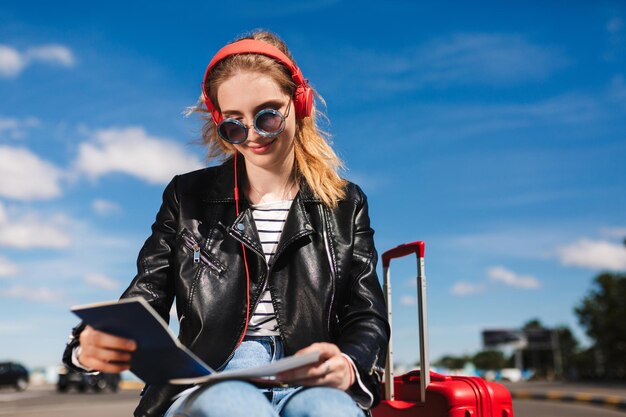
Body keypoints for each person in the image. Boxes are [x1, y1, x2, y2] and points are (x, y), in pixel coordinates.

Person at [62, 30, 390, 417]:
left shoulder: (344, 203)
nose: (253, 135)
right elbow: (146, 293)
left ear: (299, 103)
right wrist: (89, 345)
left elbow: (366, 312)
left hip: (310, 375)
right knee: (232, 406)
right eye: (234, 124)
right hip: (212, 374)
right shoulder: (186, 196)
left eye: (267, 114)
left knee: (328, 411)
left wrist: (348, 362)